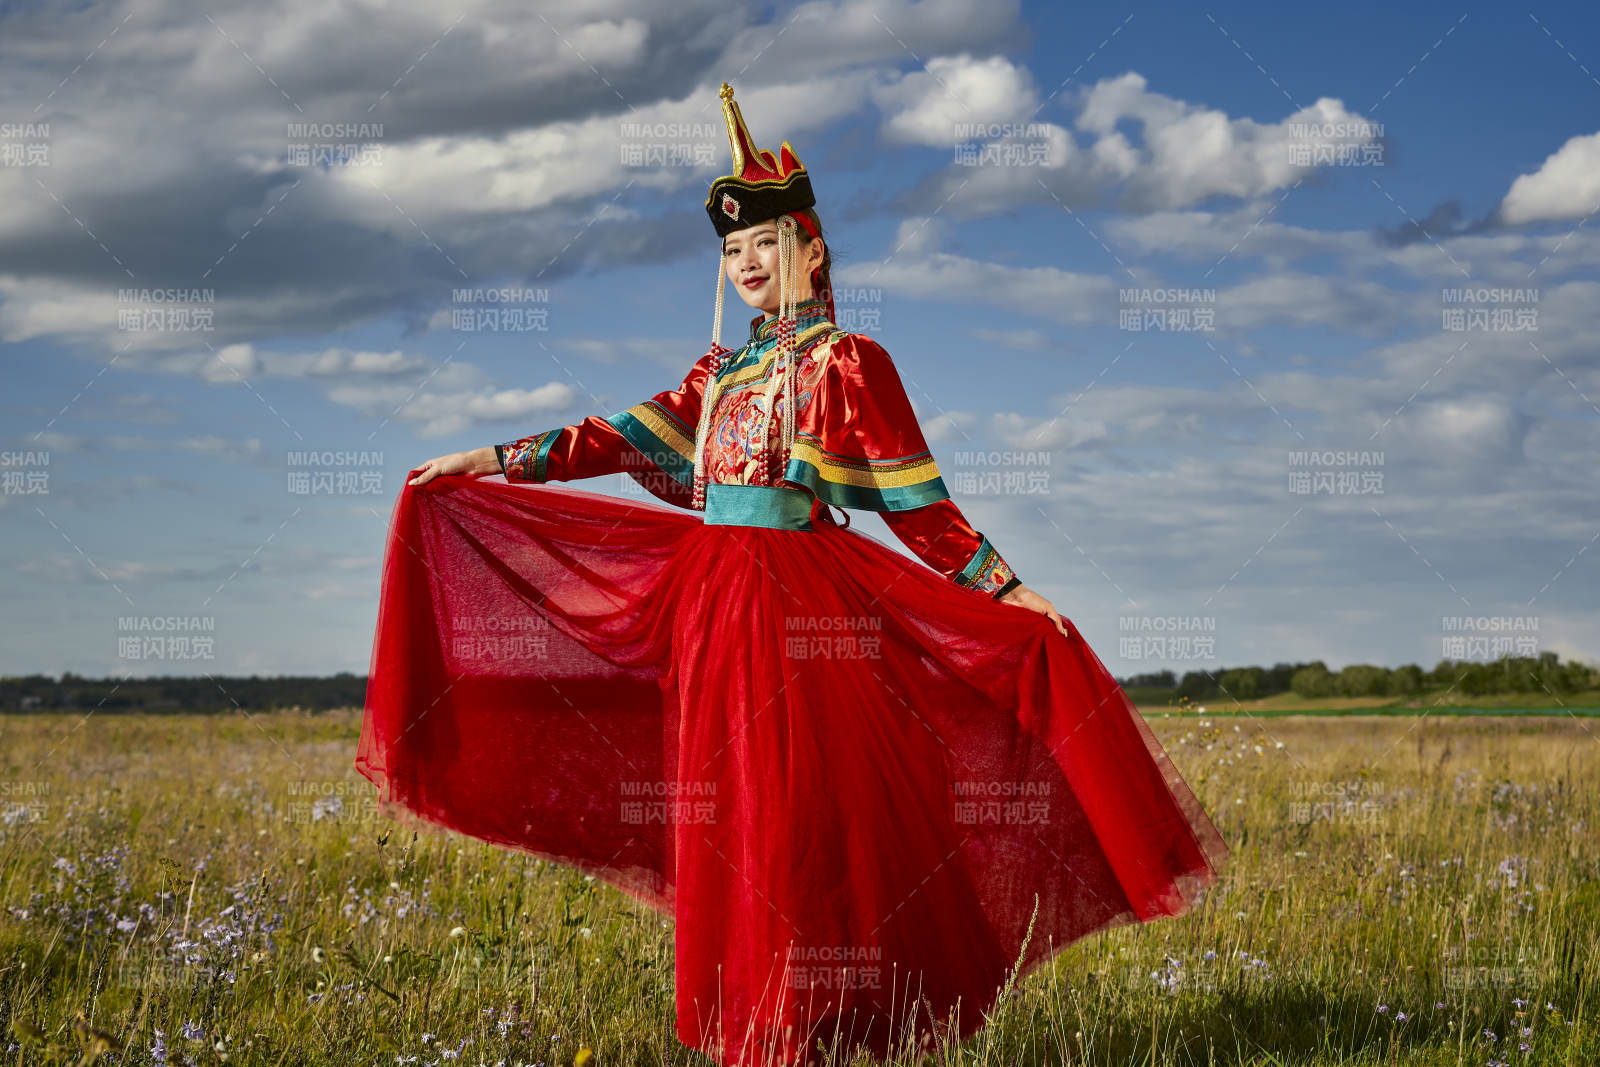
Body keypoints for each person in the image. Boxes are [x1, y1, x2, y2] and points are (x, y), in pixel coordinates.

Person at [360, 82, 1228, 1067]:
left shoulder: (850, 363)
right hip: (712, 604)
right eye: (733, 249)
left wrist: (1002, 588)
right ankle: (762, 1021)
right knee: (731, 810)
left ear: (810, 250)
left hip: (802, 604)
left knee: (798, 810)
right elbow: (618, 435)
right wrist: (490, 459)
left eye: (764, 242)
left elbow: (917, 503)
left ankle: (819, 1018)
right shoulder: (718, 376)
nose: (746, 262)